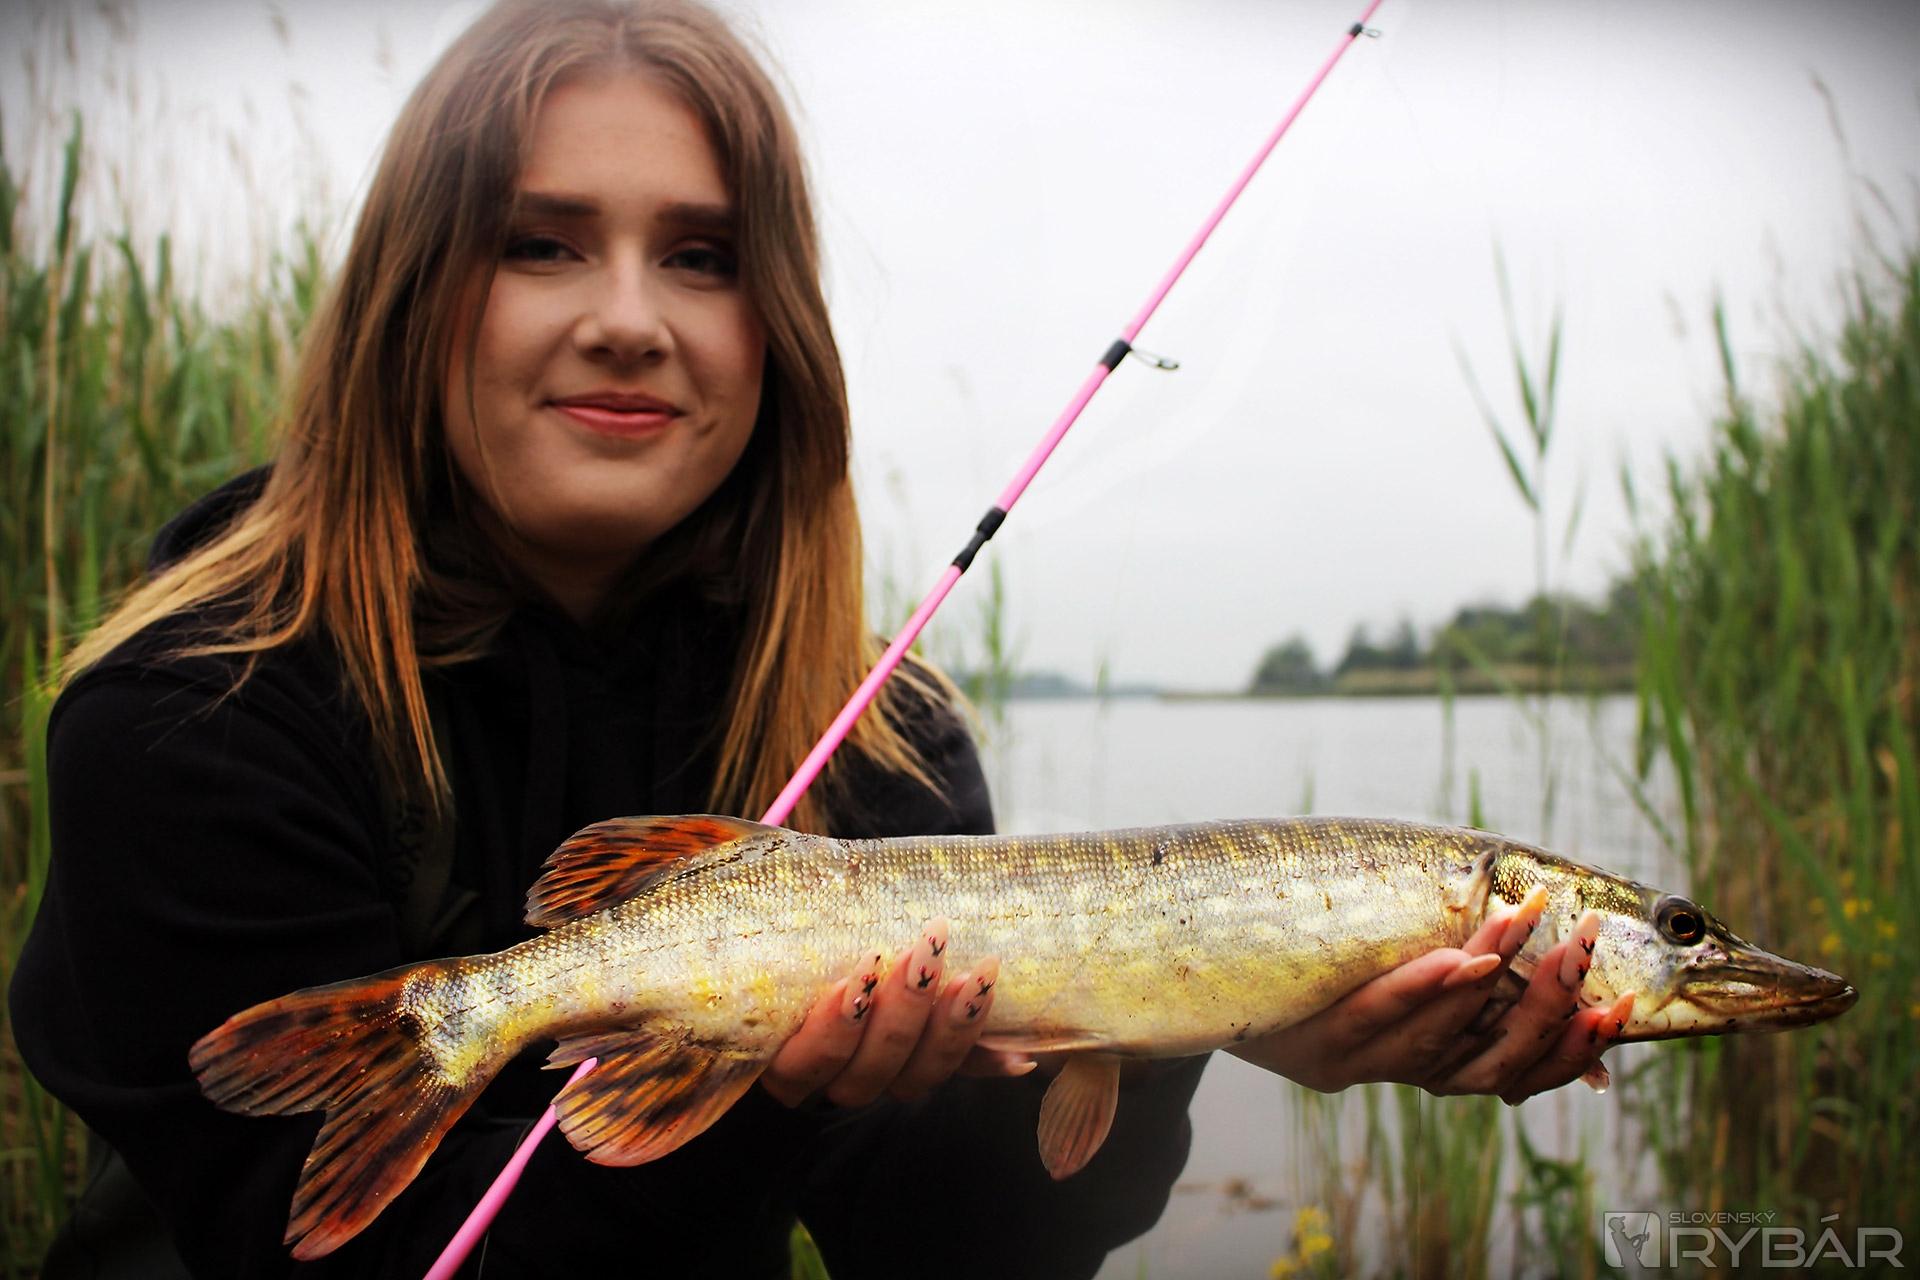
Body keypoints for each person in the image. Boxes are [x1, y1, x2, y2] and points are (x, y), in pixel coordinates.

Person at [8, 2, 1622, 1276]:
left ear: (774, 330)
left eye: (702, 256)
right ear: (407, 301)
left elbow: (958, 1251)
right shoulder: (192, 712)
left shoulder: (876, 731)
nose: (629, 317)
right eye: (541, 241)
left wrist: (1189, 1028)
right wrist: (758, 1095)